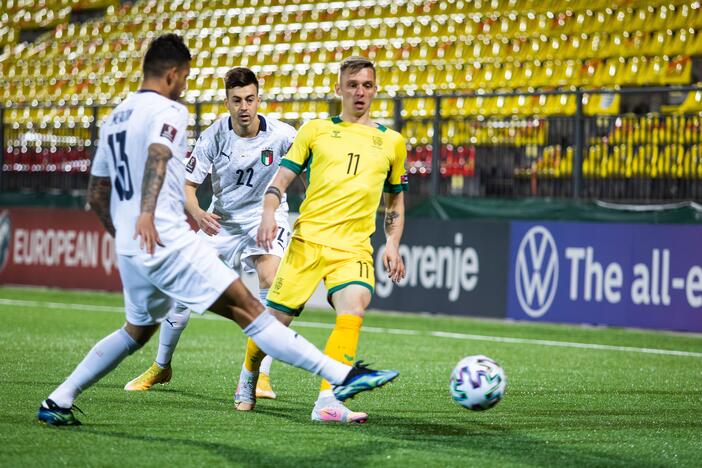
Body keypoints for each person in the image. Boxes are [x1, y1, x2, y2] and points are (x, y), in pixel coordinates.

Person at [36, 35, 398, 426]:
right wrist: (148, 215)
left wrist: (126, 231)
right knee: (254, 313)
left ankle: (59, 398)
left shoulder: (116, 117)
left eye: (250, 98)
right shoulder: (173, 112)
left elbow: (96, 193)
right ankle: (342, 376)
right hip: (175, 238)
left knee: (135, 331)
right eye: (187, 76)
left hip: (133, 246)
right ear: (174, 74)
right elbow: (161, 156)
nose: (187, 84)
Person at [235, 56, 408, 424]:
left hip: (354, 247)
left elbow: (395, 199)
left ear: (375, 89)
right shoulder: (314, 130)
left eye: (367, 85)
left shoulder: (392, 142)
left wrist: (392, 243)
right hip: (308, 242)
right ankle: (249, 372)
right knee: (273, 324)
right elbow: (280, 180)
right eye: (353, 85)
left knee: (354, 308)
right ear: (339, 89)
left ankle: (328, 401)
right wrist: (269, 212)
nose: (360, 92)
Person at [123, 67, 293, 401]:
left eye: (249, 99)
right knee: (181, 292)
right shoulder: (215, 135)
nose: (244, 107)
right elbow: (188, 187)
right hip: (222, 224)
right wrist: (198, 213)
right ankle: (161, 366)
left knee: (272, 281)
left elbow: (305, 170)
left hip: (265, 218)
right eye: (236, 100)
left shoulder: (283, 135)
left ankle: (261, 374)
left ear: (259, 100)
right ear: (227, 103)